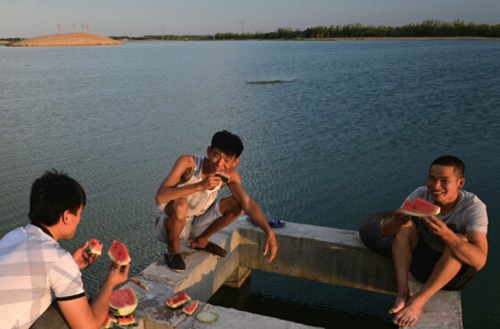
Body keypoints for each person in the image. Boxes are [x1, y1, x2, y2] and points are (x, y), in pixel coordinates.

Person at [0, 170, 130, 329]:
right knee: (72, 311)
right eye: (79, 213)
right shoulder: (58, 259)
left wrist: (71, 266)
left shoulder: (13, 236)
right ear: (67, 216)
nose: (80, 219)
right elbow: (87, 326)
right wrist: (110, 282)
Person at [381, 155, 488, 327]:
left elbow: (480, 261)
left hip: (455, 276)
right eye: (432, 178)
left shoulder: (474, 207)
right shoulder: (421, 194)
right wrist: (396, 220)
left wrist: (447, 235)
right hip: (422, 264)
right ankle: (402, 294)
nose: (436, 186)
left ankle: (417, 303)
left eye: (444, 180)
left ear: (460, 183)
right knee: (404, 227)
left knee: (458, 240)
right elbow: (384, 232)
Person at [154, 130, 278, 271]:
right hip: (168, 224)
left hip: (196, 222)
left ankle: (201, 241)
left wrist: (269, 232)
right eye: (216, 156)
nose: (219, 163)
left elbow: (248, 203)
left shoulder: (230, 174)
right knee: (181, 204)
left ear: (235, 162)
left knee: (238, 204)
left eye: (227, 160)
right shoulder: (188, 163)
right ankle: (173, 250)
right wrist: (200, 186)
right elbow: (160, 197)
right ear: (209, 151)